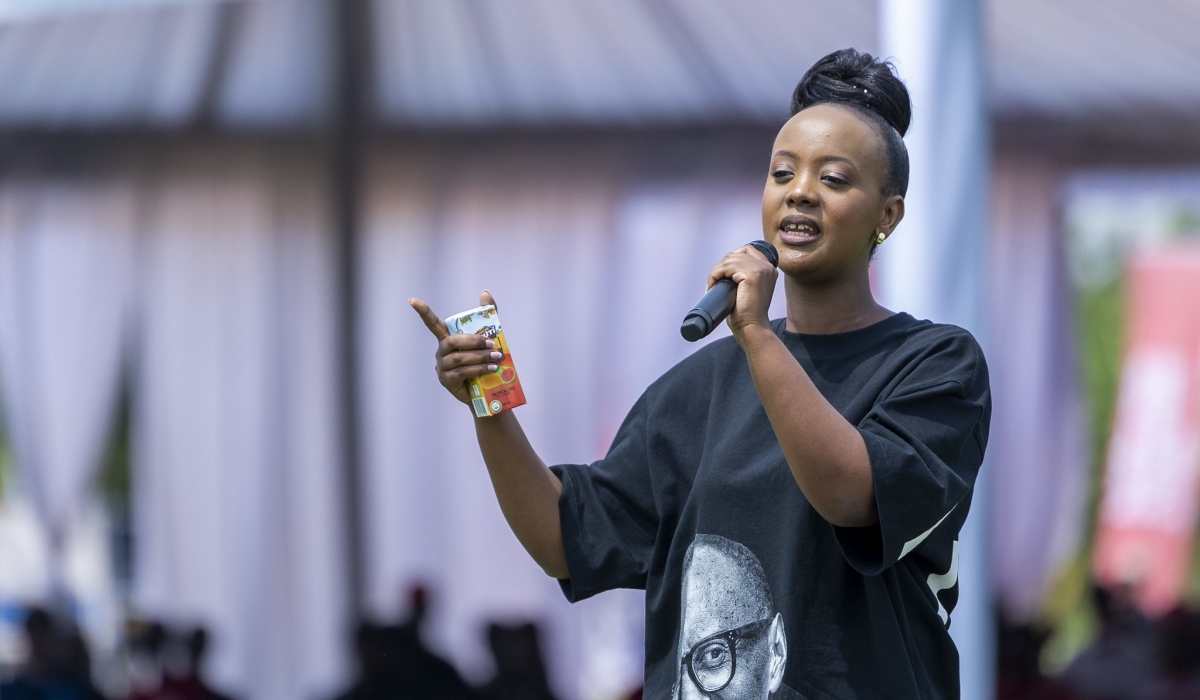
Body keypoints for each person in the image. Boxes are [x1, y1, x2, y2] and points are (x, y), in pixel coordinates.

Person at [411, 48, 991, 700]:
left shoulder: (936, 364)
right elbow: (564, 540)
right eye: (783, 172)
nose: (800, 190)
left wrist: (756, 334)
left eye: (834, 179)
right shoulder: (696, 391)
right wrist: (488, 401)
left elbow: (850, 496)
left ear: (887, 217)